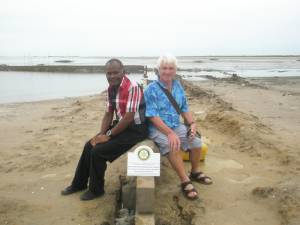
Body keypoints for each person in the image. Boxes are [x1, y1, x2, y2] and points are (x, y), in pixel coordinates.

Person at [61, 58, 148, 201]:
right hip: (122, 126)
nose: (112, 76)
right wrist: (101, 135)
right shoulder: (110, 89)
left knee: (98, 152)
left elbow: (128, 117)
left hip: (136, 130)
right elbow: (108, 113)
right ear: (106, 74)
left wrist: (109, 134)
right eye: (109, 73)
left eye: (116, 72)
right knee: (90, 145)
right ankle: (79, 184)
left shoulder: (133, 87)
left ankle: (96, 190)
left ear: (123, 72)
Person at [144, 54, 212, 200]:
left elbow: (184, 107)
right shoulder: (151, 89)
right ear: (158, 70)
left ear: (175, 70)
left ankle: (194, 172)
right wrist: (169, 133)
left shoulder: (178, 86)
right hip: (157, 128)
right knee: (173, 145)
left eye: (171, 68)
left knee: (196, 142)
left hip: (176, 125)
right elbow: (151, 115)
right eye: (164, 68)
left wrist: (192, 124)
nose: (167, 71)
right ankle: (184, 180)